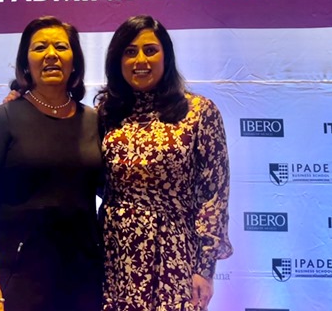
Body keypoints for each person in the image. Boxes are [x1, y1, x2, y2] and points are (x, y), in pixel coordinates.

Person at [95, 15, 233, 311]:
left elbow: (213, 195)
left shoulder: (198, 112)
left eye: (150, 50)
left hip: (175, 252)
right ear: (118, 60)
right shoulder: (106, 113)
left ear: (166, 56)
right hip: (115, 253)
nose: (140, 60)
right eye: (130, 52)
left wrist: (204, 268)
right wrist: (22, 100)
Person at [0, 16, 104, 311]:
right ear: (26, 64)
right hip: (19, 277)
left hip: (83, 278)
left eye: (61, 47)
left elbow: (112, 191)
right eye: (40, 47)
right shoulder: (5, 117)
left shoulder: (95, 121)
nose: (51, 54)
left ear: (75, 62)